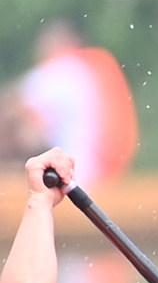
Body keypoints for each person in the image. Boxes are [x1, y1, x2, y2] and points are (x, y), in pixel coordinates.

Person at [6, 27, 136, 187]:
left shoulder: (63, 71)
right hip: (100, 173)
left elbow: (13, 103)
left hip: (74, 175)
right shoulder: (87, 70)